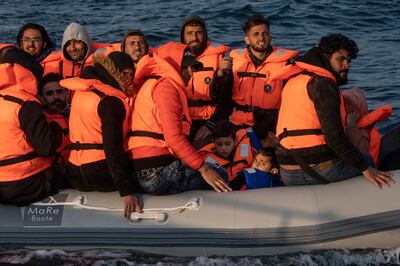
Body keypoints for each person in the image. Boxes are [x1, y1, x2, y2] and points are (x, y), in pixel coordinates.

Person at [274, 33, 394, 188]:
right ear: (325, 57)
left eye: (348, 60)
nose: (346, 65)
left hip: (287, 170)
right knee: (368, 161)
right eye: (340, 59)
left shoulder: (295, 78)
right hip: (320, 168)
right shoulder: (323, 83)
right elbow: (334, 137)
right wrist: (366, 168)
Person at [128, 42, 231, 195]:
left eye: (193, 67)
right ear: (172, 66)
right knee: (220, 175)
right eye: (185, 67)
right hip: (156, 174)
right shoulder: (166, 89)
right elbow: (173, 138)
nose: (190, 72)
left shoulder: (152, 83)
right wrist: (204, 169)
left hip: (142, 168)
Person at [60, 52, 141, 219]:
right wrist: (126, 190)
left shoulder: (82, 91)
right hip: (100, 172)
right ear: (113, 71)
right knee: (150, 174)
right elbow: (112, 147)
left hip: (75, 173)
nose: (129, 78)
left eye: (131, 74)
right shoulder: (110, 101)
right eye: (124, 73)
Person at [0, 47, 66, 205]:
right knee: (78, 171)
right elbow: (46, 148)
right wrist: (56, 130)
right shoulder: (25, 103)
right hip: (28, 183)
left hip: (1, 185)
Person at [229, 14, 298, 128]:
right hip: (238, 122)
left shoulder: (286, 64)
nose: (261, 38)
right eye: (256, 34)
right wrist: (220, 74)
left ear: (270, 37)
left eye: (265, 34)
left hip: (270, 123)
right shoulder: (234, 63)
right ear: (247, 39)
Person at [180, 16, 234, 148]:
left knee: (205, 153)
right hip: (182, 122)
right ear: (183, 37)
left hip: (210, 121)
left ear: (205, 35)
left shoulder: (220, 60)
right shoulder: (174, 59)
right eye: (189, 33)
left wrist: (210, 125)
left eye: (198, 33)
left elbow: (227, 100)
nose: (194, 37)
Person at [42, 22, 107, 78]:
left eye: (77, 42)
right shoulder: (54, 66)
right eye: (68, 44)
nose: (72, 48)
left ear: (87, 43)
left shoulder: (103, 62)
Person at [39, 73, 70, 162]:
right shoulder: (40, 120)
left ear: (66, 93)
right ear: (42, 97)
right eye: (50, 93)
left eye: (59, 91)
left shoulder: (77, 113)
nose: (56, 97)